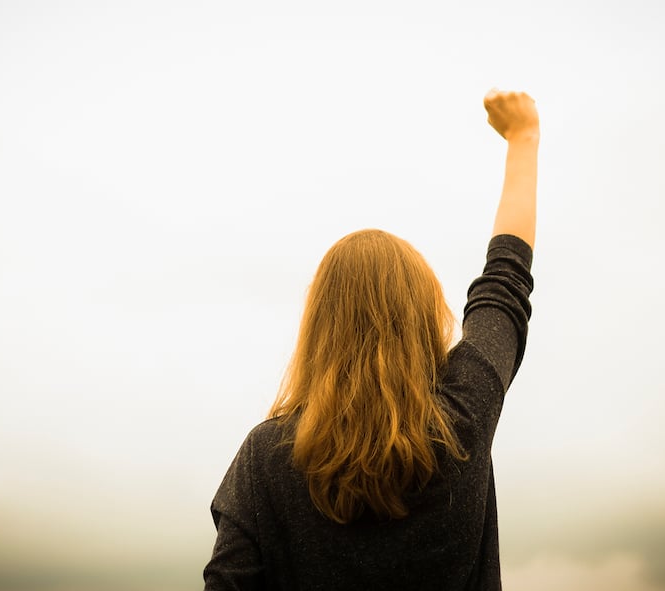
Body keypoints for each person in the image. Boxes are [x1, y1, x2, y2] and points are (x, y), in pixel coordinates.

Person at [204, 88, 539, 590]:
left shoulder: (265, 456)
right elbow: (504, 280)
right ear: (425, 320)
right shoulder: (463, 418)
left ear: (319, 330)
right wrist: (524, 138)